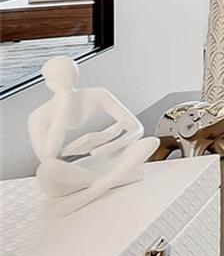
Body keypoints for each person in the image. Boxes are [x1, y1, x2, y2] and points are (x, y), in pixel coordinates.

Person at [27, 56, 159, 215]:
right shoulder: (39, 115)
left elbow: (137, 129)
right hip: (68, 178)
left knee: (150, 142)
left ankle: (99, 186)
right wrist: (64, 102)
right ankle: (115, 180)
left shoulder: (98, 94)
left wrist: (109, 145)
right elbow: (47, 157)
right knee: (46, 169)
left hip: (103, 162)